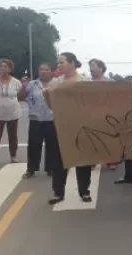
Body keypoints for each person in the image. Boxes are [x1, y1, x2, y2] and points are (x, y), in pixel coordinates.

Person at [43, 52, 94, 204]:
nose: (59, 65)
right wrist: (46, 95)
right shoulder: (56, 83)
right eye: (58, 63)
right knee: (59, 160)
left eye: (62, 62)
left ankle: (84, 191)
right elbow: (52, 106)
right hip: (60, 124)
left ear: (72, 63)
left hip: (80, 124)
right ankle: (58, 192)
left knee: (82, 158)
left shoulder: (84, 81)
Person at [18, 62, 56, 179]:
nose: (43, 71)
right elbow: (20, 98)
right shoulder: (32, 84)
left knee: (52, 145)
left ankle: (51, 168)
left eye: (46, 69)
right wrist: (23, 86)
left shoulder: (56, 84)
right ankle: (31, 169)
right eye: (41, 69)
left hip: (52, 119)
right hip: (36, 119)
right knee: (34, 145)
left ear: (51, 72)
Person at [0, 59, 23, 164]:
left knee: (13, 135)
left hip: (13, 113)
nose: (2, 69)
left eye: (5, 67)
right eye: (1, 66)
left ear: (10, 69)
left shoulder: (16, 82)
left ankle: (13, 156)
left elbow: (21, 96)